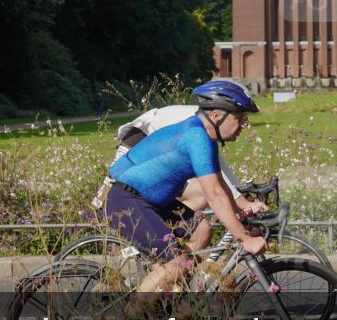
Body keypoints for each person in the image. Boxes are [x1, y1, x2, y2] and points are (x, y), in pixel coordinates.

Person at [105, 80, 266, 293]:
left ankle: (169, 293)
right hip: (127, 201)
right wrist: (244, 238)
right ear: (216, 116)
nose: (244, 125)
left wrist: (241, 209)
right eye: (240, 118)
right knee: (176, 265)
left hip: (151, 201)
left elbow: (220, 185)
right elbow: (214, 195)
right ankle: (133, 312)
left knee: (202, 231)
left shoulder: (205, 137)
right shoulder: (196, 137)